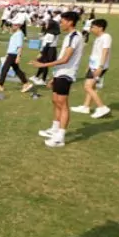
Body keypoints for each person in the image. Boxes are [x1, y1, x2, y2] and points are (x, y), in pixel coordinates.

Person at [30, 11, 83, 148]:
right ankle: (55, 128)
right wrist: (54, 76)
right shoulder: (68, 36)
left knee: (63, 104)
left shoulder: (75, 37)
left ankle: (60, 137)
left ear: (70, 22)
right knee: (55, 100)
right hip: (60, 73)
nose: (61, 24)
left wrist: (43, 65)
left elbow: (65, 59)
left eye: (63, 21)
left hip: (67, 73)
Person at [71, 18, 112, 119]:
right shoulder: (98, 38)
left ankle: (102, 107)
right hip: (93, 65)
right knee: (91, 87)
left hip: (98, 67)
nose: (91, 29)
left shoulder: (106, 37)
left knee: (87, 87)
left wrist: (100, 67)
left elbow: (105, 51)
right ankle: (86, 107)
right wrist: (89, 66)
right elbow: (95, 53)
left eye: (93, 27)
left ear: (100, 28)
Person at [0, 17, 34, 92]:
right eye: (13, 25)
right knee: (17, 70)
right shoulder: (16, 33)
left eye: (14, 25)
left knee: (4, 69)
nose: (12, 26)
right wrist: (7, 54)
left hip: (13, 54)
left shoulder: (19, 34)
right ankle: (26, 84)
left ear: (19, 26)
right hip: (11, 54)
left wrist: (18, 56)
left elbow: (20, 46)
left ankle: (0, 85)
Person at [31, 19, 60, 86]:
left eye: (47, 24)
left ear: (51, 25)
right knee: (42, 63)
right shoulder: (52, 32)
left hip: (49, 50)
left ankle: (43, 80)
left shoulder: (51, 34)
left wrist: (41, 53)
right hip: (49, 49)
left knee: (44, 64)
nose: (46, 25)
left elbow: (47, 45)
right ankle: (36, 77)